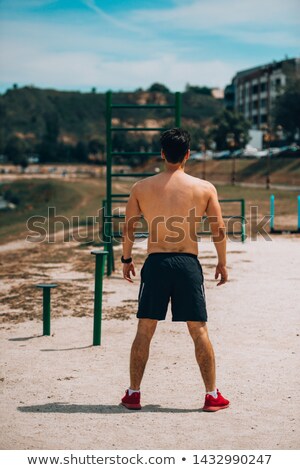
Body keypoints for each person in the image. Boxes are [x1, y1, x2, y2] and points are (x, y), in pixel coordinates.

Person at [120, 128, 229, 412]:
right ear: (188, 155)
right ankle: (211, 395)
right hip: (186, 264)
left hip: (156, 264)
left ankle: (133, 394)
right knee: (199, 330)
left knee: (145, 329)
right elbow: (218, 228)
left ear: (162, 153)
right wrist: (222, 262)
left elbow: (129, 226)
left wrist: (126, 258)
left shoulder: (141, 188)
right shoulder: (204, 188)